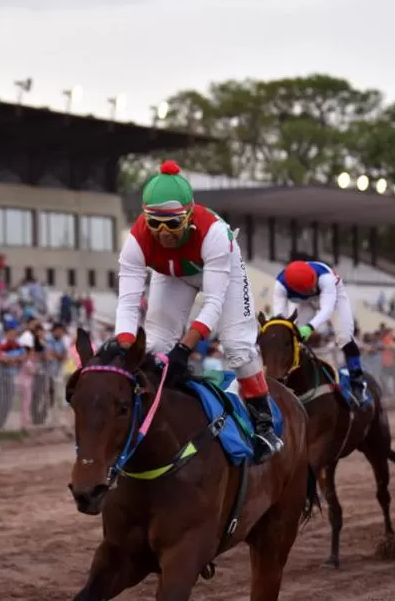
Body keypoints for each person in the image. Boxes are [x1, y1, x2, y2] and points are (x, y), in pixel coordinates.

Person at [114, 160, 283, 464]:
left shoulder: (214, 232)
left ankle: (264, 423)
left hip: (220, 271)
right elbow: (127, 303)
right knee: (154, 346)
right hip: (173, 275)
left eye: (173, 224)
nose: (163, 233)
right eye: (155, 223)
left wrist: (184, 349)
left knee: (238, 347)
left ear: (190, 216)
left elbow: (213, 303)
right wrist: (125, 345)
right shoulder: (136, 241)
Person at [272, 260, 366, 408]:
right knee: (293, 339)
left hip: (333, 297)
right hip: (304, 303)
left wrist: (309, 327)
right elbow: (280, 318)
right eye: (309, 289)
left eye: (313, 285)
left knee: (344, 337)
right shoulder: (280, 286)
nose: (313, 289)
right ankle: (291, 378)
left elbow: (327, 310)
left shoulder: (325, 278)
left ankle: (357, 383)